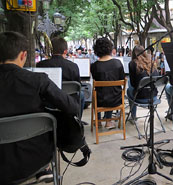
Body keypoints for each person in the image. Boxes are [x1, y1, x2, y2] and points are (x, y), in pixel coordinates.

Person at [0, 31, 80, 184]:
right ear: (23, 55)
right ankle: (46, 170)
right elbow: (72, 107)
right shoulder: (37, 80)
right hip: (35, 157)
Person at [37, 37, 86, 122]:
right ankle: (77, 121)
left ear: (51, 50)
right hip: (68, 100)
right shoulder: (73, 66)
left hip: (48, 100)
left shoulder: (40, 65)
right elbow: (78, 86)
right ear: (65, 51)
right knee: (81, 95)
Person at [91, 38, 125, 129]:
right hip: (116, 99)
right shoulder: (118, 63)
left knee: (96, 92)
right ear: (110, 48)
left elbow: (95, 80)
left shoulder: (94, 66)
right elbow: (122, 78)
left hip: (100, 100)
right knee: (111, 89)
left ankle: (98, 121)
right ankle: (108, 121)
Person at [127, 45, 159, 120]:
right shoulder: (152, 63)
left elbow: (133, 84)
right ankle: (151, 113)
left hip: (141, 97)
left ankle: (133, 116)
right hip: (154, 97)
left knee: (129, 89)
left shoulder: (132, 64)